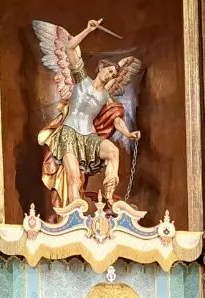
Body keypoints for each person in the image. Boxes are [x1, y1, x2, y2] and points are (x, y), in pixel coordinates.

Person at [35, 19, 143, 211]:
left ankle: (109, 196)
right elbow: (69, 48)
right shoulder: (82, 80)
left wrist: (128, 134)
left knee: (113, 151)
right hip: (69, 134)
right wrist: (88, 29)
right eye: (109, 71)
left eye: (113, 75)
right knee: (74, 180)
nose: (110, 75)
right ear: (101, 69)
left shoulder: (105, 97)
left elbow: (116, 118)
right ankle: (73, 219)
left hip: (89, 138)